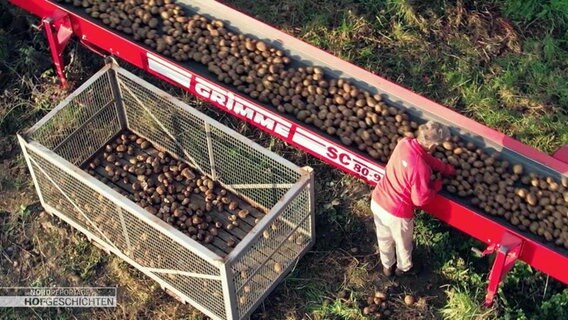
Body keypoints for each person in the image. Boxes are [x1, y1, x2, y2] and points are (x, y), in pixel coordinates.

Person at [371, 120, 456, 277]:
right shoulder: (420, 168)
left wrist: (443, 168)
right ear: (432, 146)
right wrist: (436, 187)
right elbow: (420, 200)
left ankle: (387, 266)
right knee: (403, 244)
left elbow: (422, 156)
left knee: (384, 237)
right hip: (396, 213)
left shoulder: (405, 143)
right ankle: (404, 269)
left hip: (378, 199)